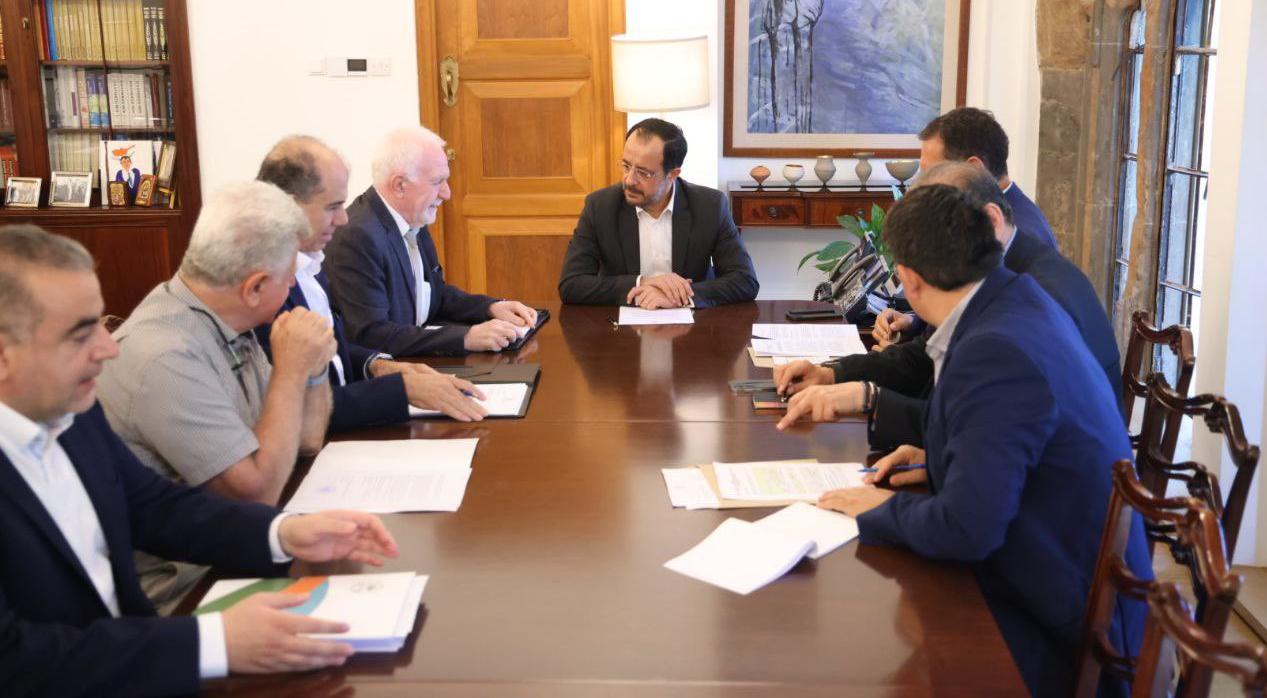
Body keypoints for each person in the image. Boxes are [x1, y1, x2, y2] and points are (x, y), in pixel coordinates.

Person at [0, 224, 399, 696]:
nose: (108, 348)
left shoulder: (70, 413)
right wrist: (212, 642)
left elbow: (152, 506)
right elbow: (15, 660)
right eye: (81, 334)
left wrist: (281, 534)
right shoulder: (124, 372)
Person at [793, 185, 1150, 696]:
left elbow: (966, 529)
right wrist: (939, 457)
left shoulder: (995, 350)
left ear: (908, 280)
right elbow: (1011, 440)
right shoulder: (1017, 299)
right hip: (1065, 575)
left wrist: (880, 507)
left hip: (1058, 629)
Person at [98, 181, 337, 611]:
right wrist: (292, 369)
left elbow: (306, 440)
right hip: (188, 591)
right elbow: (256, 496)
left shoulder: (226, 320)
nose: (292, 289)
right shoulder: (163, 356)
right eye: (289, 279)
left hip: (241, 551)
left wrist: (314, 367)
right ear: (254, 287)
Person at [776, 161, 1122, 450]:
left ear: (988, 221)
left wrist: (872, 402)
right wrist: (836, 376)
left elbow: (983, 450)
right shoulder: (991, 281)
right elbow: (930, 363)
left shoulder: (1032, 297)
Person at [256, 136, 488, 425]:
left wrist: (377, 365)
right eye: (332, 207)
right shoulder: (264, 286)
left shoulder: (308, 263)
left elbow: (333, 355)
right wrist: (401, 390)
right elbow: (299, 407)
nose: (343, 219)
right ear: (291, 207)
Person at [324, 128, 538, 357]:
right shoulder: (358, 237)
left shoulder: (412, 216)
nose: (447, 193)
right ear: (400, 185)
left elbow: (434, 295)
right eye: (437, 182)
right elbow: (372, 335)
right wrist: (466, 338)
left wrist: (490, 308)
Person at [558, 119, 759, 309]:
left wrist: (678, 296)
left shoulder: (709, 206)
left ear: (672, 175)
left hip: (693, 326)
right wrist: (643, 283)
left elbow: (745, 281)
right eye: (626, 166)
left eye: (643, 172)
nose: (629, 180)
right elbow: (571, 284)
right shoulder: (600, 206)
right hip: (621, 327)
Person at [917, 106, 1056, 249]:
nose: (922, 185)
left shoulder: (1012, 234)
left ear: (974, 168)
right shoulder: (990, 215)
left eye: (931, 173)